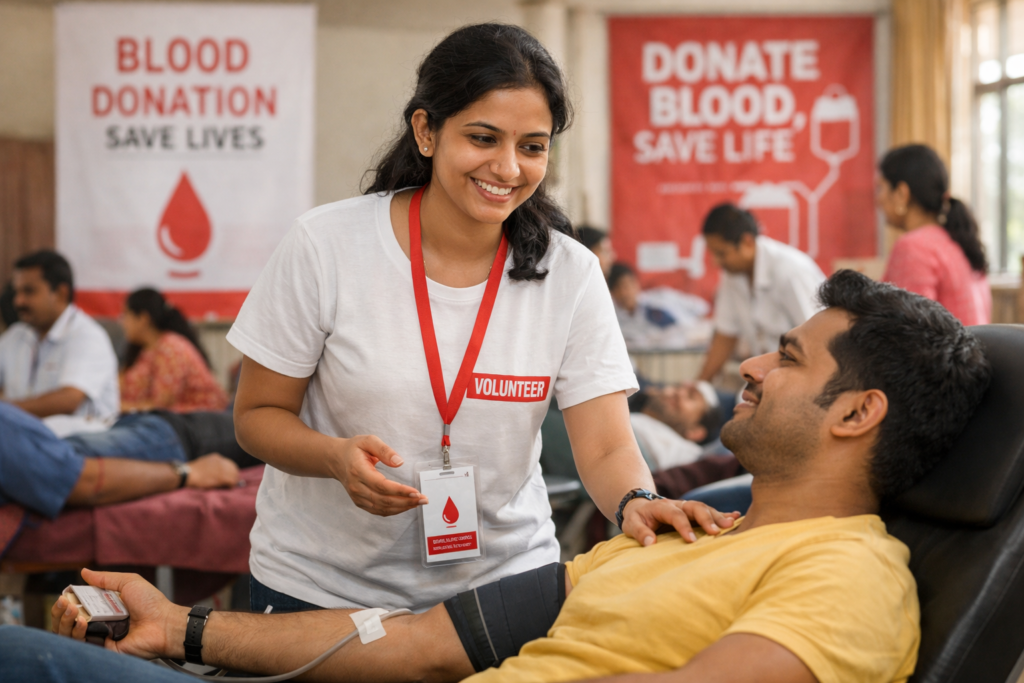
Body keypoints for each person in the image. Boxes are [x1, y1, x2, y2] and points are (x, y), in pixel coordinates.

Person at [6, 270, 992, 683]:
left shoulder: (848, 575)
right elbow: (422, 640)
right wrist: (181, 628)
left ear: (856, 414)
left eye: (788, 356)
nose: (752, 363)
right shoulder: (677, 531)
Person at [226, 23, 721, 615]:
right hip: (322, 591)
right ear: (426, 131)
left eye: (532, 147)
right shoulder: (325, 246)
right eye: (484, 138)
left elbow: (608, 445)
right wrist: (331, 458)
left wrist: (637, 499)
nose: (508, 168)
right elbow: (257, 415)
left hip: (505, 589)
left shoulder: (570, 274)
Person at [0, 402, 256, 519]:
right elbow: (81, 480)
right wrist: (187, 473)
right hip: (168, 439)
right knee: (256, 421)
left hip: (128, 431)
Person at [697, 203, 825, 382]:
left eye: (721, 253)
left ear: (747, 242)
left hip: (804, 380)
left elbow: (819, 338)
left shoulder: (790, 271)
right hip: (768, 379)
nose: (716, 262)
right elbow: (725, 335)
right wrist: (700, 384)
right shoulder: (732, 275)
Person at [877, 143, 991, 325]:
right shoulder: (957, 240)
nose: (878, 199)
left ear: (901, 193)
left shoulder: (912, 246)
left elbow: (908, 331)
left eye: (881, 188)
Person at [0, 250, 119, 421]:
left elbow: (68, 400)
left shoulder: (87, 336)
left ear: (61, 293)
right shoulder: (15, 336)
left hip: (78, 437)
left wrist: (6, 411)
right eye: (16, 292)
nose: (18, 301)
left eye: (29, 291)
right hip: (25, 435)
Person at [119, 288, 229, 413]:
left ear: (143, 318)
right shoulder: (142, 350)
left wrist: (120, 407)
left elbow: (161, 406)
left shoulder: (171, 348)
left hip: (195, 420)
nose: (122, 322)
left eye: (125, 315)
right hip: (151, 419)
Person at [608, 262, 709, 351]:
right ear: (612, 292)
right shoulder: (614, 321)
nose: (625, 293)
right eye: (619, 288)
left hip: (689, 347)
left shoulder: (661, 298)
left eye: (627, 285)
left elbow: (701, 308)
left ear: (636, 284)